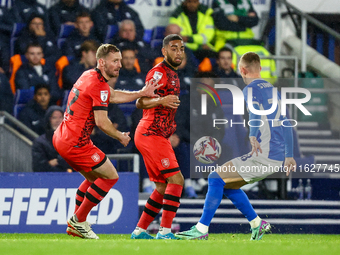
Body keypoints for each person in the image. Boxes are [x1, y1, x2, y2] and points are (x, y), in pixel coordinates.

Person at [175, 52, 296, 240]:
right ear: (260, 68)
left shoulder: (250, 89)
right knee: (227, 184)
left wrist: (253, 135)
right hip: (277, 155)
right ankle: (257, 223)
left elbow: (255, 115)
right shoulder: (274, 90)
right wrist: (289, 155)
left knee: (215, 178)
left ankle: (201, 230)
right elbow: (286, 122)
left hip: (264, 154)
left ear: (242, 70)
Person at [52, 43, 163, 239]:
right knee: (111, 176)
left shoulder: (89, 76)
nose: (119, 65)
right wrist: (120, 135)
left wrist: (140, 93)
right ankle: (78, 220)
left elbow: (111, 95)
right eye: (115, 61)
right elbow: (101, 122)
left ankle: (78, 224)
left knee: (94, 178)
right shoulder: (98, 84)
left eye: (120, 60)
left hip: (62, 137)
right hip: (76, 143)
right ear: (102, 62)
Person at [130, 34, 185, 240]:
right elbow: (140, 102)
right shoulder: (158, 72)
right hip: (150, 133)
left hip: (156, 134)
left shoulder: (172, 73)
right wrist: (162, 100)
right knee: (176, 180)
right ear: (164, 51)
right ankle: (165, 232)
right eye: (173, 48)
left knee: (162, 186)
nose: (178, 52)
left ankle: (140, 230)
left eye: (181, 48)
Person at [32, 105, 73, 172]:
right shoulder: (39, 142)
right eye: (54, 118)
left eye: (60, 117)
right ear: (48, 120)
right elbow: (38, 167)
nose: (58, 121)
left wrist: (57, 161)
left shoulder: (72, 140)